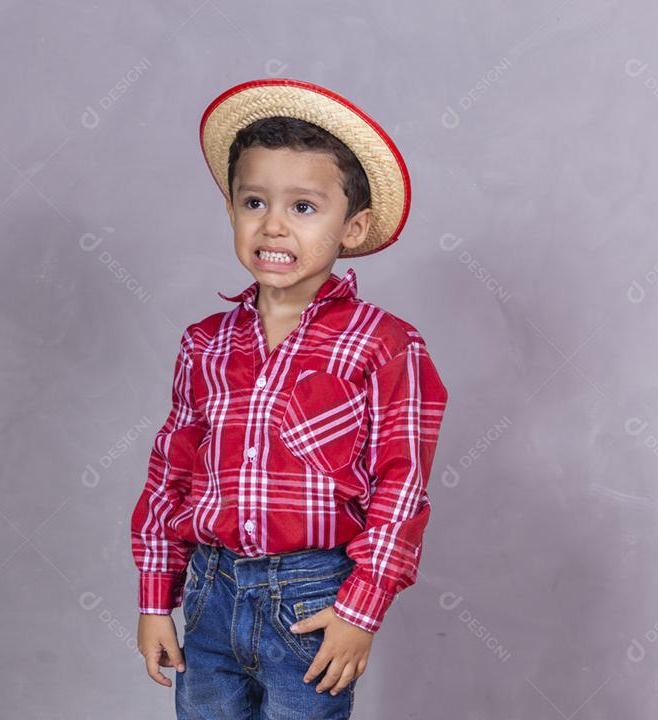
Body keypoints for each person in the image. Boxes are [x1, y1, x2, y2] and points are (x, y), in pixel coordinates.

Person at [130, 78, 450, 719]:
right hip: (210, 595)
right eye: (253, 201)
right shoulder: (205, 345)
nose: (273, 224)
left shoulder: (384, 346)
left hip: (311, 600)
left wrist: (360, 609)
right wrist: (154, 599)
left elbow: (400, 485)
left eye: (304, 207)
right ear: (231, 212)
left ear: (351, 226)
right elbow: (172, 473)